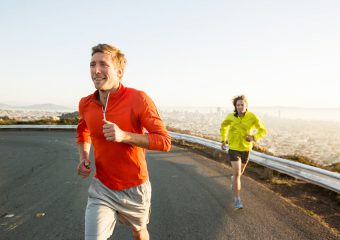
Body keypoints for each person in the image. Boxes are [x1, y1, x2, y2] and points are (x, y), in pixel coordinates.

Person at [76, 43, 171, 240]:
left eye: (103, 64)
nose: (96, 70)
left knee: (139, 232)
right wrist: (84, 156)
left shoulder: (138, 99)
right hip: (102, 187)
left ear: (119, 72)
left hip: (135, 187)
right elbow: (82, 130)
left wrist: (125, 136)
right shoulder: (86, 103)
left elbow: (164, 141)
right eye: (92, 64)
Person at [220, 95, 267, 209]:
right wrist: (223, 139)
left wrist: (254, 137)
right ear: (235, 107)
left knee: (240, 173)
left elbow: (263, 130)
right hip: (234, 148)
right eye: (238, 105)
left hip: (246, 148)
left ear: (246, 106)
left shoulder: (252, 116)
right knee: (236, 174)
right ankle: (237, 199)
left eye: (242, 105)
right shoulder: (231, 116)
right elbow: (224, 126)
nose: (240, 107)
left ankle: (234, 179)